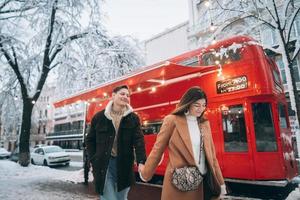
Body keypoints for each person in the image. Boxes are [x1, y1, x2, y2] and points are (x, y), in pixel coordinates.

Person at [139, 86, 226, 200]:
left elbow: (212, 156)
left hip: (205, 182)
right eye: (197, 105)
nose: (201, 109)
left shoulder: (204, 124)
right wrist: (146, 173)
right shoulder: (172, 120)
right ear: (188, 103)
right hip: (181, 182)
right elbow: (157, 150)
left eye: (204, 105)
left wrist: (220, 183)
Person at [86, 85, 146, 200]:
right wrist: (94, 158)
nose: (125, 97)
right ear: (113, 96)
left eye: (128, 95)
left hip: (124, 165)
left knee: (121, 198)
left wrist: (141, 161)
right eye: (122, 94)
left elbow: (139, 140)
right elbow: (89, 140)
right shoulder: (99, 117)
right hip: (104, 164)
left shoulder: (133, 118)